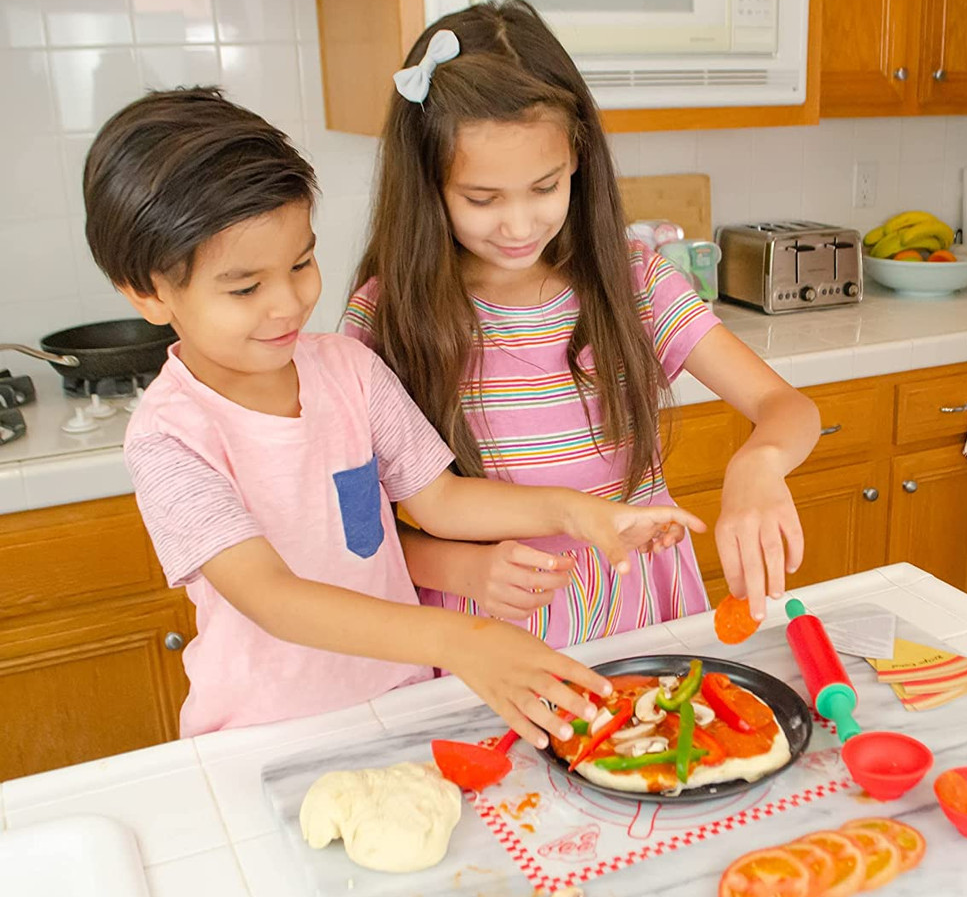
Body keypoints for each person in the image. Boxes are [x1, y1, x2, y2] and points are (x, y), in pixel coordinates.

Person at [84, 87, 703, 744]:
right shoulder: (170, 436)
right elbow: (272, 597)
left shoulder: (347, 372)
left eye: (301, 263)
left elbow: (438, 499)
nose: (288, 303)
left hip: (402, 700)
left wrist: (577, 511)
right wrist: (464, 638)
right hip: (264, 730)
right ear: (147, 291)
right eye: (245, 288)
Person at [343, 0, 820, 647]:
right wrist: (464, 565)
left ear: (577, 162)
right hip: (491, 630)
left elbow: (785, 404)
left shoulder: (633, 281)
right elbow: (361, 530)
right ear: (428, 186)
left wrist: (760, 463)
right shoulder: (386, 319)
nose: (518, 225)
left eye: (544, 187)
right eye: (482, 199)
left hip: (644, 612)